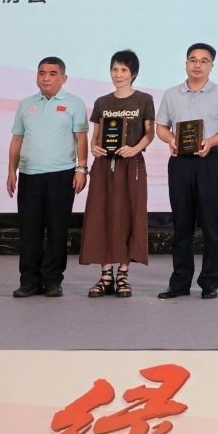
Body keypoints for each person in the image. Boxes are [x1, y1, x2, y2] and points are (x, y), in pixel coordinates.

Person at [154, 42, 218, 299]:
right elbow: (161, 127)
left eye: (204, 61)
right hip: (179, 161)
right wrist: (171, 139)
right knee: (181, 224)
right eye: (193, 60)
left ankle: (210, 282)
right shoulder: (171, 94)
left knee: (211, 224)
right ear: (185, 63)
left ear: (212, 66)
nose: (197, 65)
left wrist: (211, 142)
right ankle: (180, 282)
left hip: (209, 160)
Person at [6, 56, 87, 298]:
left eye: (52, 74)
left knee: (57, 229)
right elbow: (17, 138)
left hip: (62, 175)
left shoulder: (74, 104)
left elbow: (81, 138)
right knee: (29, 230)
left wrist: (81, 169)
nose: (46, 78)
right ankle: (29, 281)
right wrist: (11, 171)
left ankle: (52, 280)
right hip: (29, 175)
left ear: (64, 78)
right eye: (42, 73)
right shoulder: (26, 104)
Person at [82, 49, 154, 298]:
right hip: (104, 165)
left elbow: (150, 133)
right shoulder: (102, 102)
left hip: (131, 165)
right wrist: (94, 147)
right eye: (115, 69)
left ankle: (123, 274)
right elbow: (96, 135)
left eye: (124, 70)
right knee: (101, 214)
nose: (118, 74)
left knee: (128, 215)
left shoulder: (144, 99)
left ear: (133, 73)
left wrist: (135, 149)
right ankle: (105, 275)